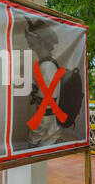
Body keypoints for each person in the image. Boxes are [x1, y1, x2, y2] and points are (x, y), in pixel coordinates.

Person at [24, 16, 65, 148]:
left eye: (29, 35)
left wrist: (35, 137)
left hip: (44, 139)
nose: (27, 38)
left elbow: (47, 109)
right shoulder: (44, 64)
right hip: (46, 136)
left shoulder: (46, 67)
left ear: (41, 40)